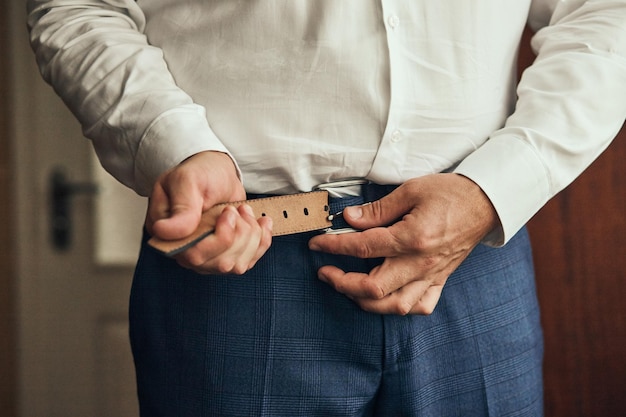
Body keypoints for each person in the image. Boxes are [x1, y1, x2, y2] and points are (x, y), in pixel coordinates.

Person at [27, 0, 626, 415]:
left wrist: (496, 187)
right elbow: (79, 7)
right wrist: (172, 143)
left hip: (470, 256)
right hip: (237, 261)